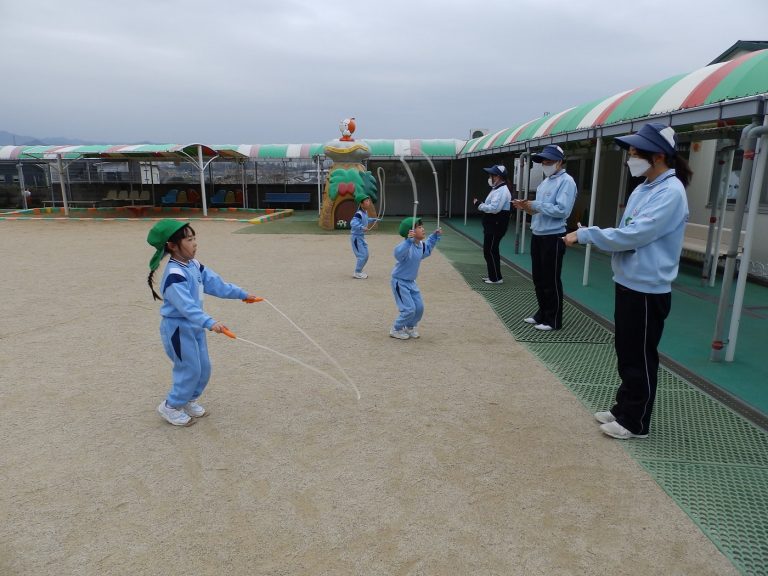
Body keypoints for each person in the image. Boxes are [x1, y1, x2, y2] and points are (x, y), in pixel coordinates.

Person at [563, 123, 691, 440]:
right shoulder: (643, 188)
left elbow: (635, 235)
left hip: (648, 289)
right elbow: (628, 232)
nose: (630, 158)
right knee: (627, 350)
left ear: (658, 156)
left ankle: (636, 421)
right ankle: (624, 407)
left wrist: (587, 233)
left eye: (635, 153)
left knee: (640, 355)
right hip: (630, 281)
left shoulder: (670, 193)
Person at [146, 219, 259, 426]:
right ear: (172, 246)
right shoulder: (174, 275)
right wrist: (210, 322)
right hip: (178, 330)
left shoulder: (194, 265)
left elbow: (216, 284)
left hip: (194, 327)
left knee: (203, 368)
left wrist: (242, 294)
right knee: (189, 369)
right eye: (189, 239)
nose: (195, 243)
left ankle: (188, 400)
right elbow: (187, 307)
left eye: (194, 238)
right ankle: (171, 406)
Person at [512, 144, 577, 331]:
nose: (545, 164)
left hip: (554, 236)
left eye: (549, 161)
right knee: (539, 279)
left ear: (559, 162)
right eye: (543, 161)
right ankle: (542, 313)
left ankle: (553, 319)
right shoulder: (545, 182)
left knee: (551, 279)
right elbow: (539, 210)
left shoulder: (567, 182)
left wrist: (536, 205)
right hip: (538, 234)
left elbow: (562, 210)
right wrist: (527, 207)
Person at [389, 217, 441, 340]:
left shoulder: (420, 245)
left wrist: (434, 237)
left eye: (422, 226)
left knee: (419, 308)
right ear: (410, 231)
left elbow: (427, 249)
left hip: (411, 282)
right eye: (419, 227)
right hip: (399, 281)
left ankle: (410, 327)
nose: (422, 229)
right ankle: (396, 329)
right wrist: (408, 242)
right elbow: (398, 254)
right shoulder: (406, 246)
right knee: (409, 309)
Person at [473, 165, 512, 284]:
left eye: (492, 175)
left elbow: (495, 209)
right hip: (493, 224)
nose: (490, 177)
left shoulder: (502, 190)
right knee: (491, 250)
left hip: (496, 225)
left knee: (490, 250)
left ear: (499, 177)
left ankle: (495, 278)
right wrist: (482, 205)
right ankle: (494, 276)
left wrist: (479, 205)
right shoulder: (497, 188)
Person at [350, 191, 380, 279]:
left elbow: (366, 219)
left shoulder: (364, 212)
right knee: (362, 256)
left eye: (368, 201)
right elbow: (352, 223)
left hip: (361, 237)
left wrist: (373, 219)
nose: (368, 202)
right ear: (361, 203)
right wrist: (362, 227)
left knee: (366, 255)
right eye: (366, 201)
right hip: (356, 237)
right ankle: (357, 272)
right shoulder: (358, 214)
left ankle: (359, 271)